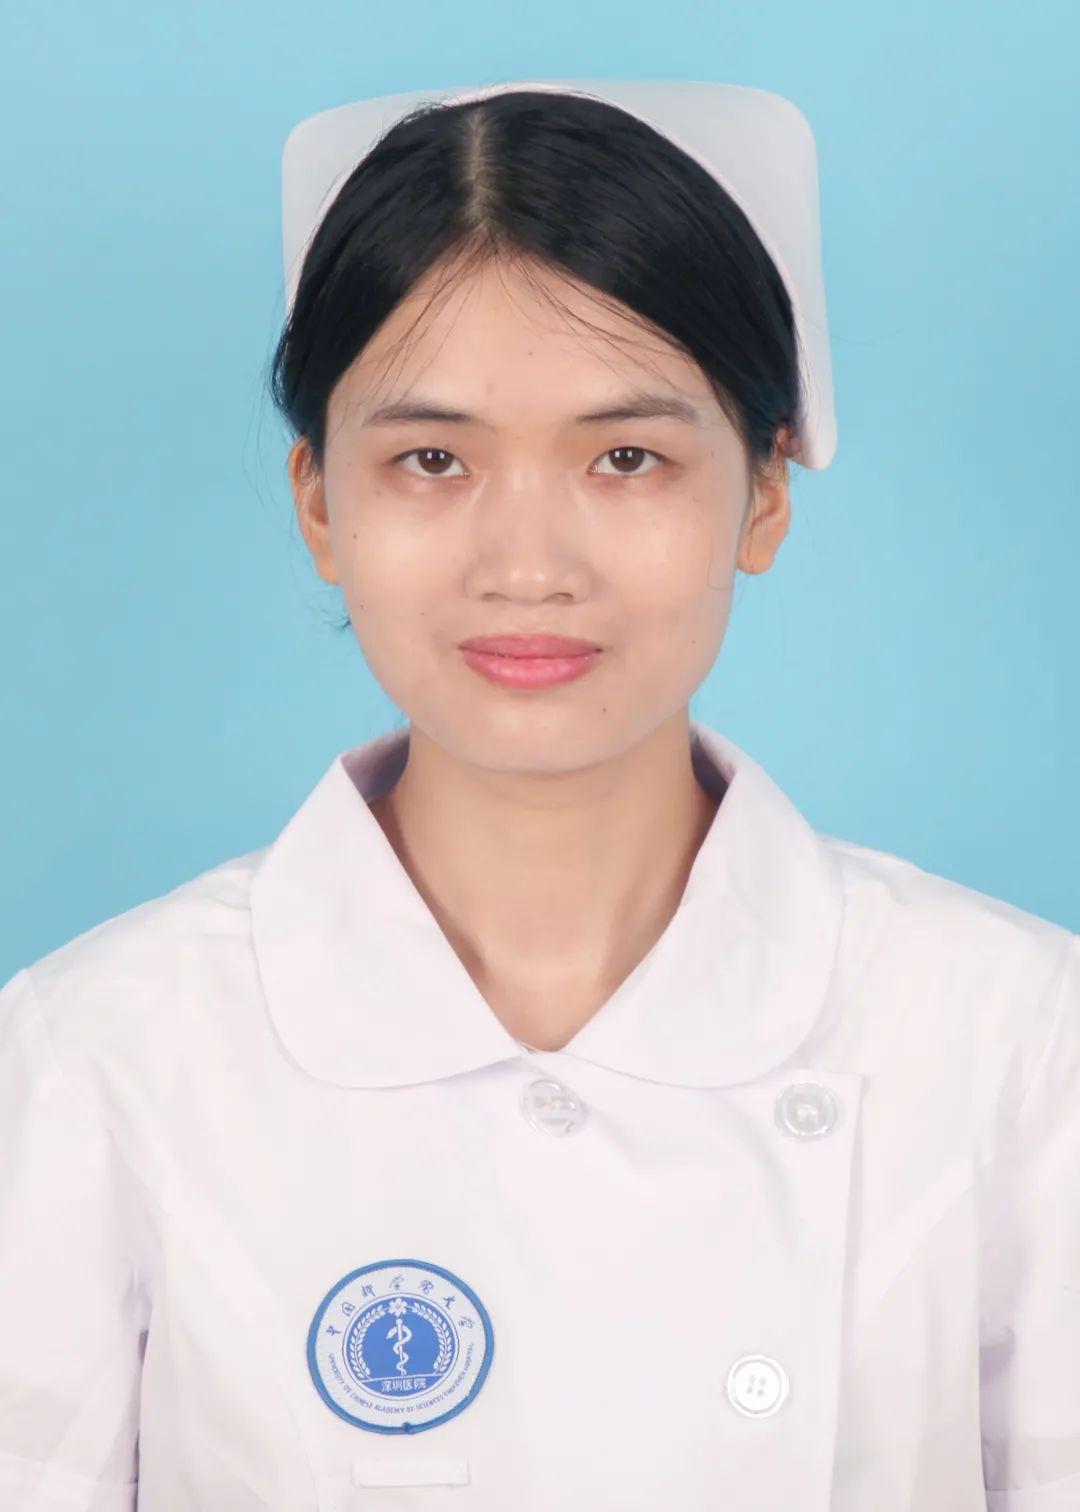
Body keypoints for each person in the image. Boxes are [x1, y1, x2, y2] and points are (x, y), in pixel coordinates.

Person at [1, 79, 1077, 1512]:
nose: (527, 563)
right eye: (431, 460)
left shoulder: (1021, 1044)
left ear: (764, 494)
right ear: (319, 503)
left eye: (626, 457)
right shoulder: (94, 1059)